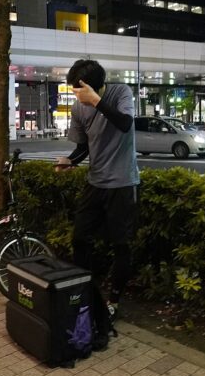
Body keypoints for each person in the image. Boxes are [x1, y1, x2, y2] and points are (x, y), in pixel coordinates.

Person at [54, 59, 140, 327]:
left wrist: (97, 102)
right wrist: (70, 161)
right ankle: (86, 293)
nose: (76, 96)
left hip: (122, 183)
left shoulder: (120, 93)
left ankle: (114, 301)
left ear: (94, 86)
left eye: (79, 90)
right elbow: (84, 146)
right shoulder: (79, 107)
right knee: (80, 238)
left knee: (120, 244)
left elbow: (126, 123)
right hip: (95, 182)